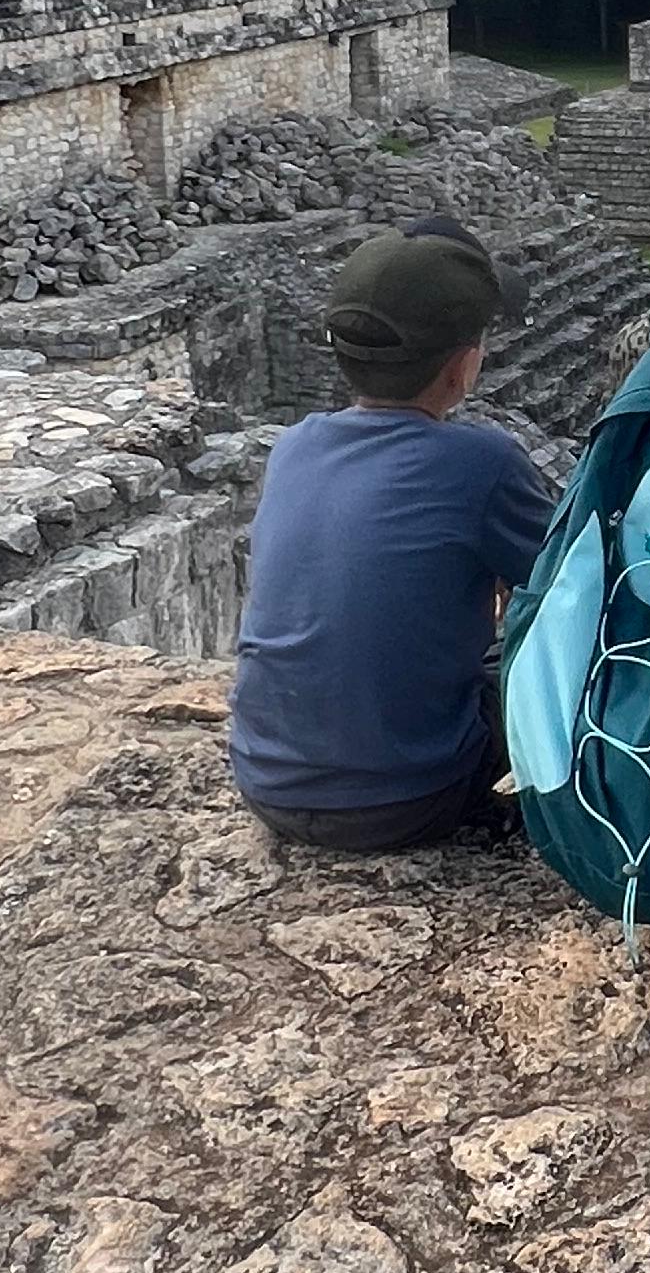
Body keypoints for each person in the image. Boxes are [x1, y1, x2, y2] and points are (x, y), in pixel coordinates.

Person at [228, 217, 553, 853]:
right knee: (535, 650)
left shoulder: (293, 448)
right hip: (411, 800)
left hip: (265, 780)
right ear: (462, 368)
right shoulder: (481, 463)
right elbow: (570, 581)